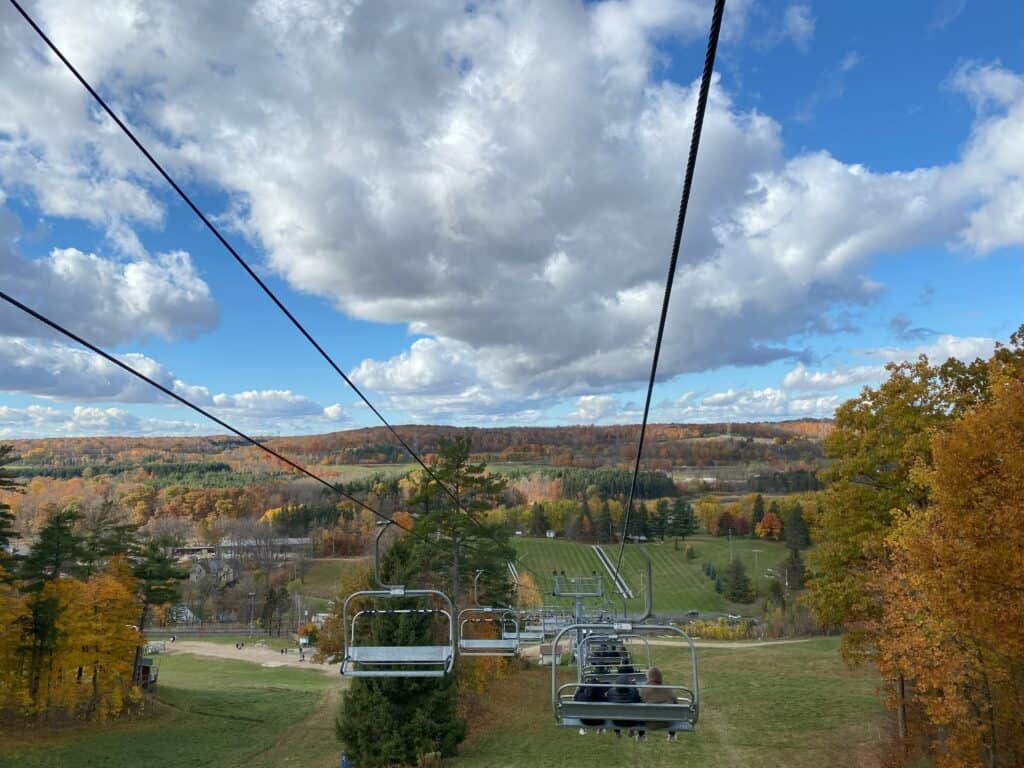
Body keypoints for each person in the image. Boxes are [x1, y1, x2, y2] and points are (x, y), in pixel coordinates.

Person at [640, 667, 679, 741]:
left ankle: (641, 735)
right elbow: (676, 704)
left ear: (649, 677)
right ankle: (672, 735)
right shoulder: (668, 689)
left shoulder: (643, 690)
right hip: (666, 722)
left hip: (649, 722)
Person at [606, 673, 644, 741]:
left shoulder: (610, 692)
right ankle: (635, 732)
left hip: (616, 721)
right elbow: (638, 701)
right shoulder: (633, 692)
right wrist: (633, 684)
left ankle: (617, 732)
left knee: (615, 712)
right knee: (638, 711)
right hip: (632, 721)